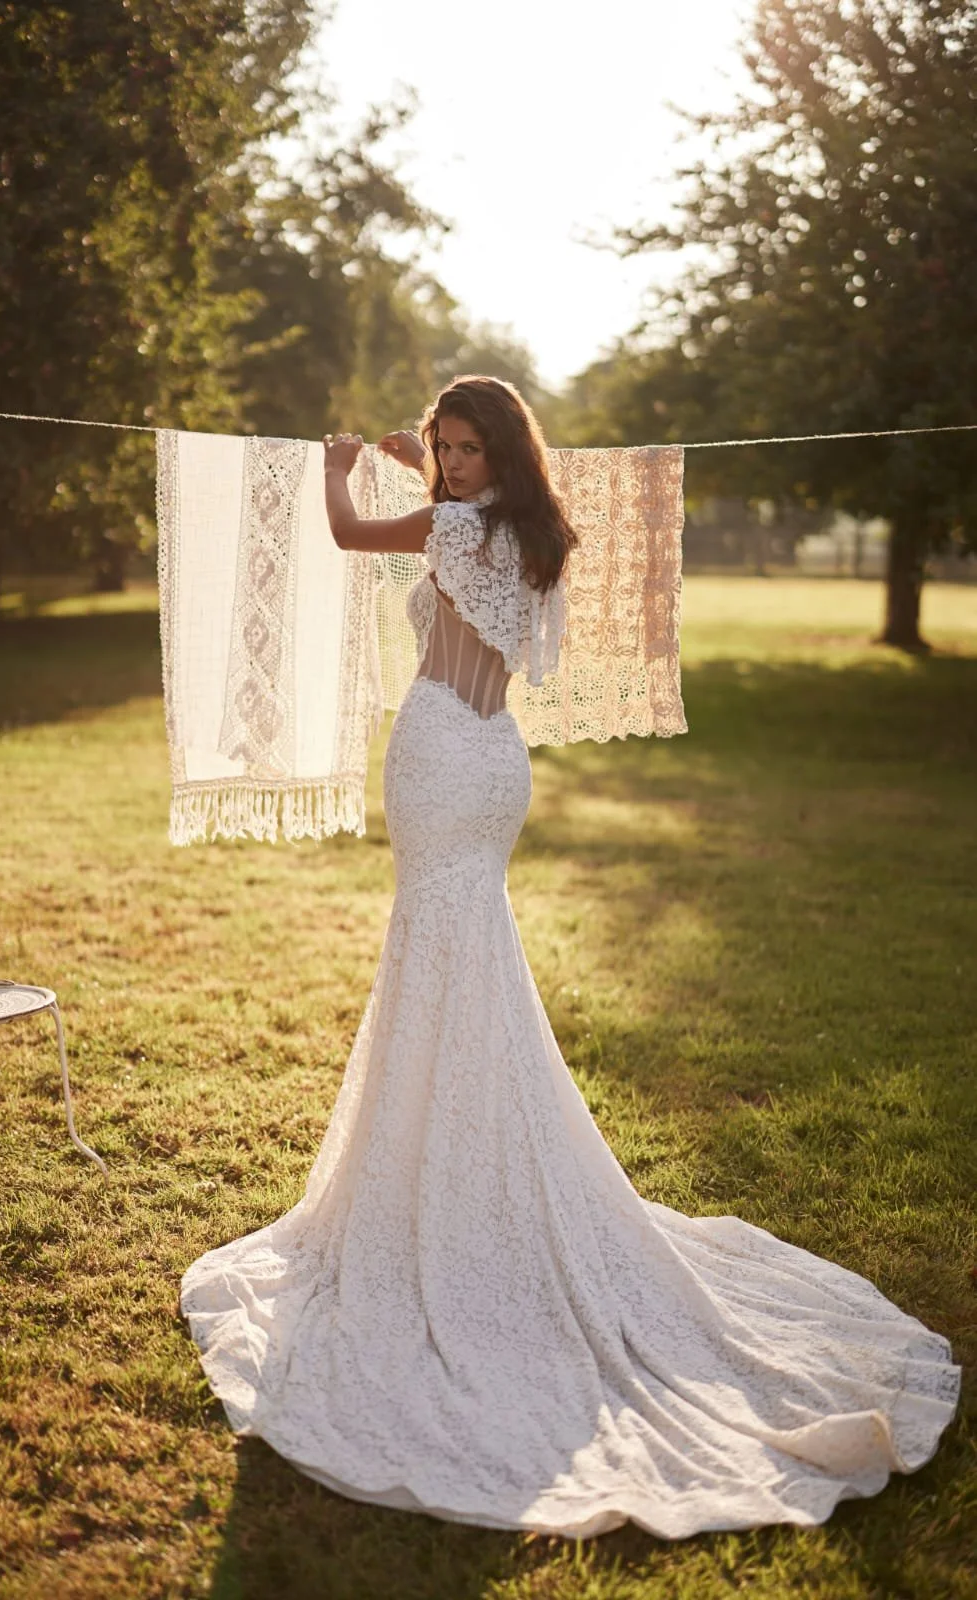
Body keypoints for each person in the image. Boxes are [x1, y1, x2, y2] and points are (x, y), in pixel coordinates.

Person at [180, 375, 960, 1541]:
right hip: (494, 761)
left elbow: (350, 532)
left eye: (459, 447)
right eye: (436, 448)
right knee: (464, 961)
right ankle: (463, 1150)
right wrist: (419, 467)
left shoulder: (453, 523)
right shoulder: (534, 530)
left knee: (441, 956)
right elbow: (464, 532)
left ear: (495, 448)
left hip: (444, 754)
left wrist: (347, 461)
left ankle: (441, 1185)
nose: (445, 463)